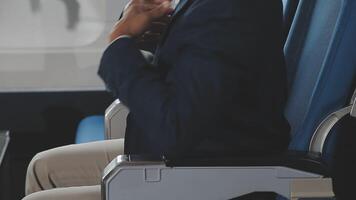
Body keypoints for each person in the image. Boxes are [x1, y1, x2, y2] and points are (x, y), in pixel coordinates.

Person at [22, 0, 290, 199]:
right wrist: (160, 38)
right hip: (196, 146)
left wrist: (119, 43)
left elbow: (173, 129)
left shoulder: (230, 10)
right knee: (42, 168)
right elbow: (210, 62)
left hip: (208, 170)